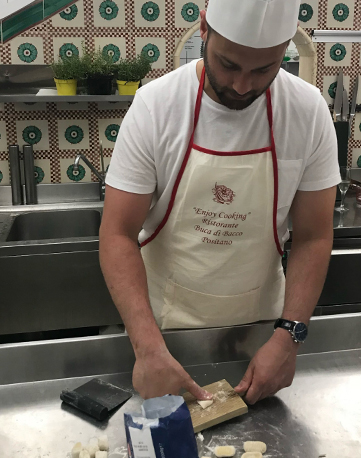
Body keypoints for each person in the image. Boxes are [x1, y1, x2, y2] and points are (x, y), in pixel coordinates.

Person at [100, 0, 340, 405]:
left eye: (263, 70)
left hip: (261, 336)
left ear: (284, 50)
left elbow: (314, 237)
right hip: (163, 336)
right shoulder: (156, 106)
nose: (242, 85)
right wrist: (147, 347)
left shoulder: (307, 110)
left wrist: (289, 338)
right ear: (204, 29)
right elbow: (117, 233)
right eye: (228, 64)